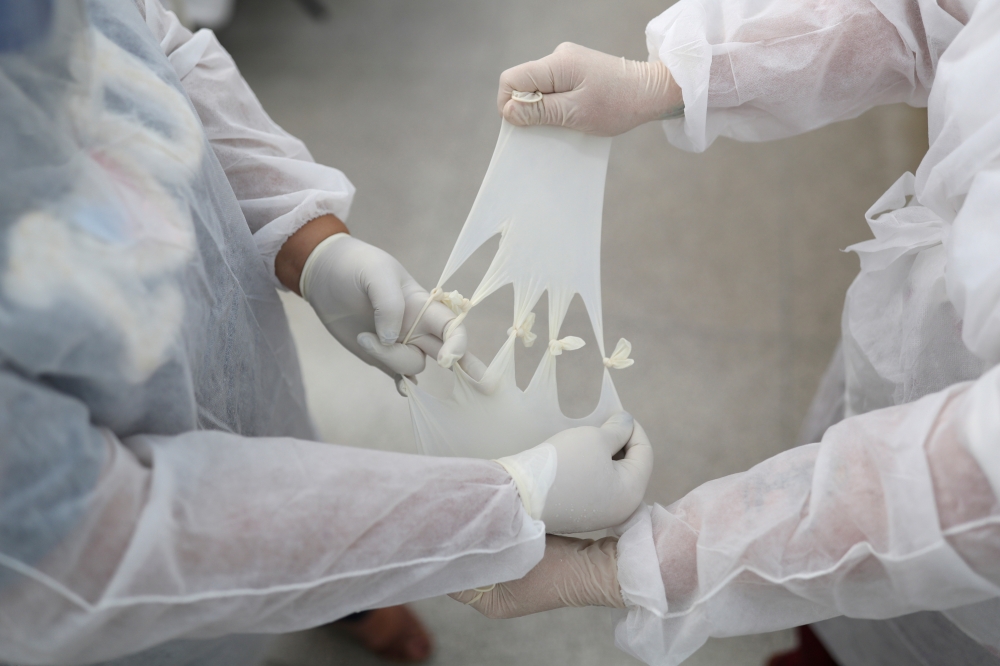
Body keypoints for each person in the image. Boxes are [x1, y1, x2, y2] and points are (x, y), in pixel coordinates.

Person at [0, 1, 655, 664]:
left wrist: (312, 248)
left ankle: (351, 596)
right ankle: (350, 584)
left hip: (225, 369)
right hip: (117, 621)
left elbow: (151, 56)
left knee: (284, 460)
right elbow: (110, 551)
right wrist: (509, 502)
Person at [448, 0, 1000, 664]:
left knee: (918, 629)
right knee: (838, 621)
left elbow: (955, 501)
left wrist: (636, 566)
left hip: (974, 555)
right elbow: (925, 16)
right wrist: (678, 79)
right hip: (931, 325)